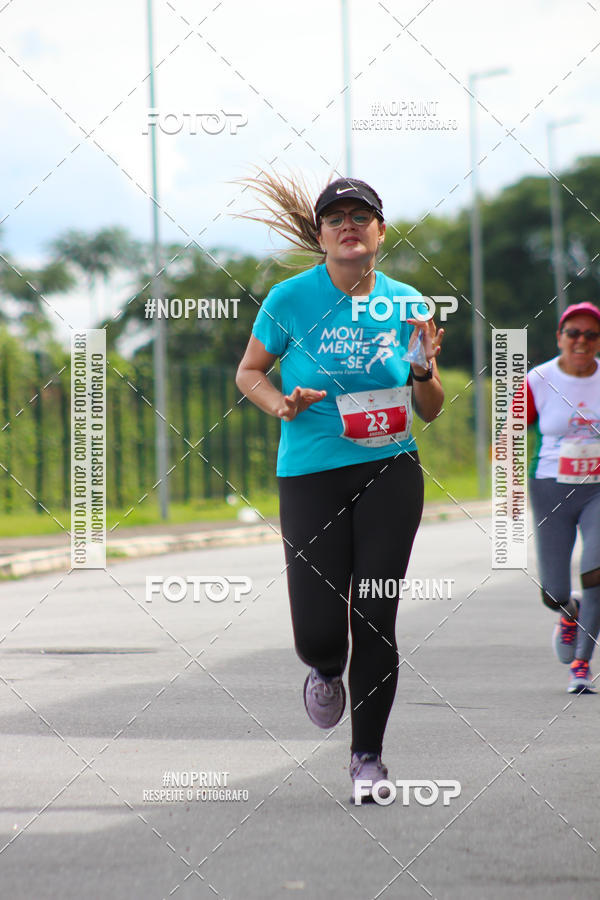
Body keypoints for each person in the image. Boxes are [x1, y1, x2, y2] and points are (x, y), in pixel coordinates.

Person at [235, 173, 444, 800]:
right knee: (321, 632)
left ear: (380, 231)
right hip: (311, 473)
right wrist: (281, 405)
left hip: (390, 470)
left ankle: (367, 758)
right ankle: (326, 670)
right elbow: (249, 372)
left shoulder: (408, 303)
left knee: (376, 616)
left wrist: (424, 370)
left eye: (362, 216)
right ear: (321, 234)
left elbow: (430, 408)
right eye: (336, 218)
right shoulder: (289, 300)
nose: (348, 225)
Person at [527, 302, 600, 693]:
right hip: (550, 487)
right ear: (559, 337)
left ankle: (581, 666)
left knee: (596, 574)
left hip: (598, 492)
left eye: (591, 335)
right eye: (574, 333)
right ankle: (568, 611)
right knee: (552, 592)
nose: (582, 341)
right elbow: (508, 434)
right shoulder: (538, 379)